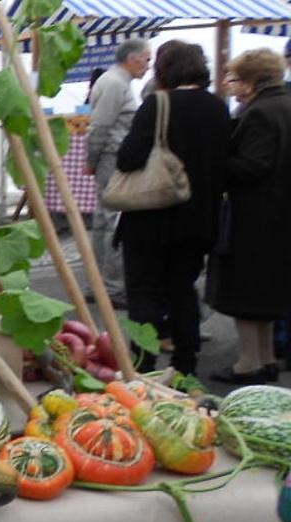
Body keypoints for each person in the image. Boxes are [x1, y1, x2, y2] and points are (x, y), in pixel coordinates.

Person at [114, 41, 230, 376]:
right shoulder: (218, 107)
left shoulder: (157, 103)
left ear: (164, 68)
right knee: (183, 289)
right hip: (199, 217)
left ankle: (144, 362)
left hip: (152, 215)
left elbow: (129, 157)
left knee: (144, 292)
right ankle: (185, 366)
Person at [205, 48, 291, 384]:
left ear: (253, 80)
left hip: (256, 216)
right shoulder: (284, 105)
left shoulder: (260, 113)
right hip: (280, 214)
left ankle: (248, 362)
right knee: (267, 294)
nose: (230, 84)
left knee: (246, 294)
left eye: (236, 78)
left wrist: (216, 164)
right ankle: (267, 358)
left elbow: (254, 165)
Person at [85, 38, 152, 308]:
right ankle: (111, 286)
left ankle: (99, 284)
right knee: (113, 220)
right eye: (146, 60)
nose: (148, 66)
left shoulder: (116, 81)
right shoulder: (115, 83)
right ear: (133, 58)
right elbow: (100, 127)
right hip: (112, 158)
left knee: (104, 221)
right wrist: (92, 159)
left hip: (110, 157)